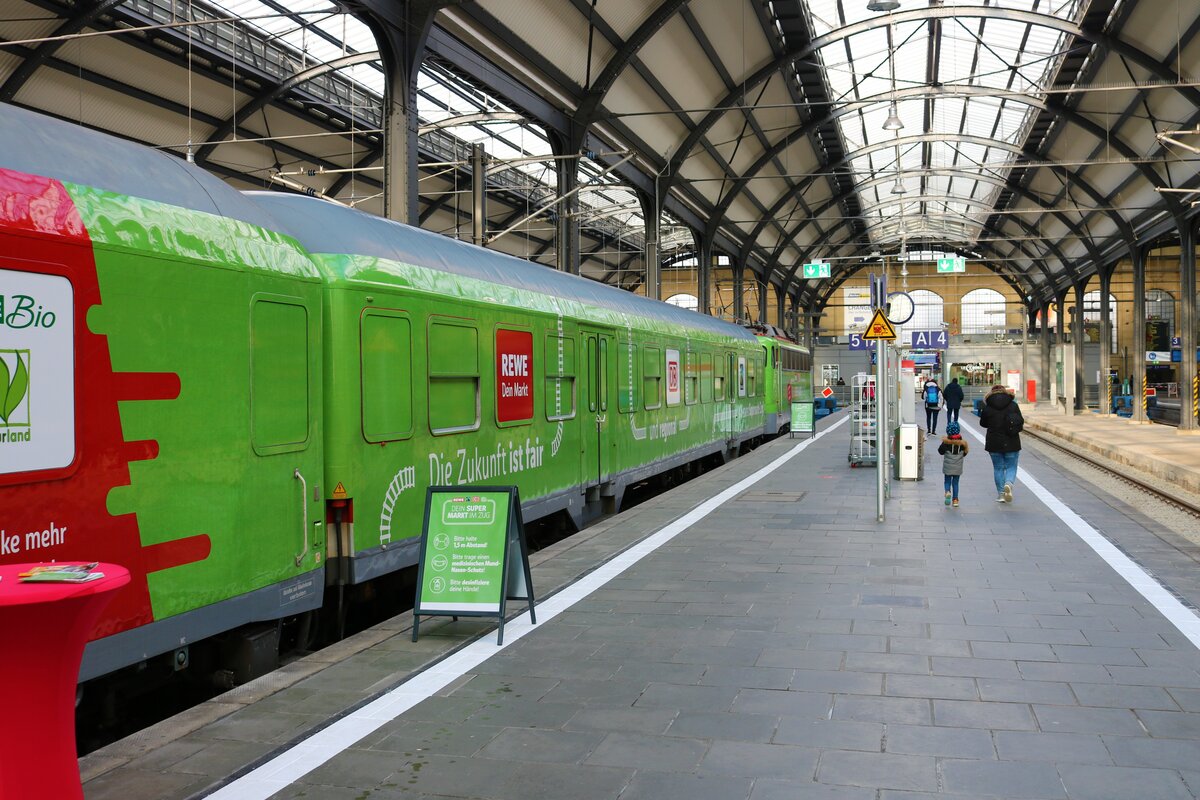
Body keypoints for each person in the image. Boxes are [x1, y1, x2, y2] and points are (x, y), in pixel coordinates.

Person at [979, 384, 1024, 503]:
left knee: (998, 468)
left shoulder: (988, 406)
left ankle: (1001, 494)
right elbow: (1020, 421)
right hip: (1012, 441)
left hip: (994, 443)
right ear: (1005, 392)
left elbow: (983, 423)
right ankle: (1008, 483)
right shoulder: (1013, 405)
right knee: (1011, 466)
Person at [938, 421, 968, 508]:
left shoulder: (945, 443)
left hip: (948, 467)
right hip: (957, 468)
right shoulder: (963, 444)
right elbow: (965, 453)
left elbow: (940, 451)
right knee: (955, 483)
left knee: (947, 481)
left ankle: (947, 492)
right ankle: (955, 500)